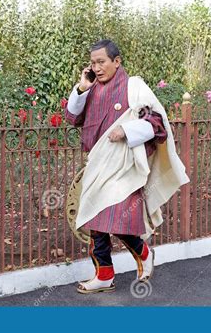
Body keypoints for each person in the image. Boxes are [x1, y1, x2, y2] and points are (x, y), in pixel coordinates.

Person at [65, 39, 189, 294]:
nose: (97, 68)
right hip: (99, 162)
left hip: (125, 164)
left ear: (116, 61)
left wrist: (126, 130)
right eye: (93, 63)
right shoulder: (90, 87)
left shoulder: (135, 87)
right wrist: (82, 87)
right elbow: (72, 117)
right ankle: (104, 275)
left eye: (102, 62)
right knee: (96, 219)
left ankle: (142, 253)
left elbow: (157, 124)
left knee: (118, 219)